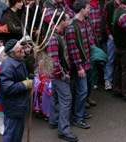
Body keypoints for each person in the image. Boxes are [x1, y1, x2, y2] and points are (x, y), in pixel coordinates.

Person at [46, 11, 78, 142]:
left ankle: (54, 121)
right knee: (66, 100)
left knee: (54, 97)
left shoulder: (58, 34)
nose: (70, 21)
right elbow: (54, 61)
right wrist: (63, 75)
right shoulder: (54, 38)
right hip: (59, 75)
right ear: (61, 22)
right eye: (67, 19)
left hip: (56, 75)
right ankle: (64, 130)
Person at [0, 39, 33, 142]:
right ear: (12, 54)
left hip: (20, 104)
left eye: (22, 48)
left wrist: (30, 76)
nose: (22, 51)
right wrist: (24, 84)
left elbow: (23, 76)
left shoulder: (19, 60)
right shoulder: (7, 66)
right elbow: (7, 87)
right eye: (19, 50)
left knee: (17, 133)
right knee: (11, 134)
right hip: (13, 106)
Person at [66, 0, 94, 129]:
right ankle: (77, 118)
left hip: (86, 63)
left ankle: (79, 112)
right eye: (88, 8)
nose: (90, 10)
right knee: (81, 91)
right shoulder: (72, 26)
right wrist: (79, 68)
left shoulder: (85, 22)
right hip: (80, 66)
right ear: (82, 10)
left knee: (82, 90)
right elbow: (73, 49)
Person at [103, 0, 121, 91]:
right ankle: (108, 80)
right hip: (112, 36)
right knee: (110, 59)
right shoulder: (109, 5)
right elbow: (105, 21)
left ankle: (119, 82)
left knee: (122, 60)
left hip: (122, 37)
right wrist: (109, 35)